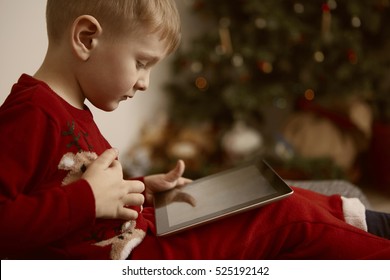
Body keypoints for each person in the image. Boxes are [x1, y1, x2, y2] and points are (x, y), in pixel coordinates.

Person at [0, 0, 389, 260]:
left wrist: (139, 190)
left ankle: (365, 221)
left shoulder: (65, 109)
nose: (145, 83)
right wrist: (88, 199)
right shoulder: (30, 114)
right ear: (87, 38)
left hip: (130, 233)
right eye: (141, 62)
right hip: (125, 255)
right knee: (280, 215)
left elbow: (58, 185)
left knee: (263, 193)